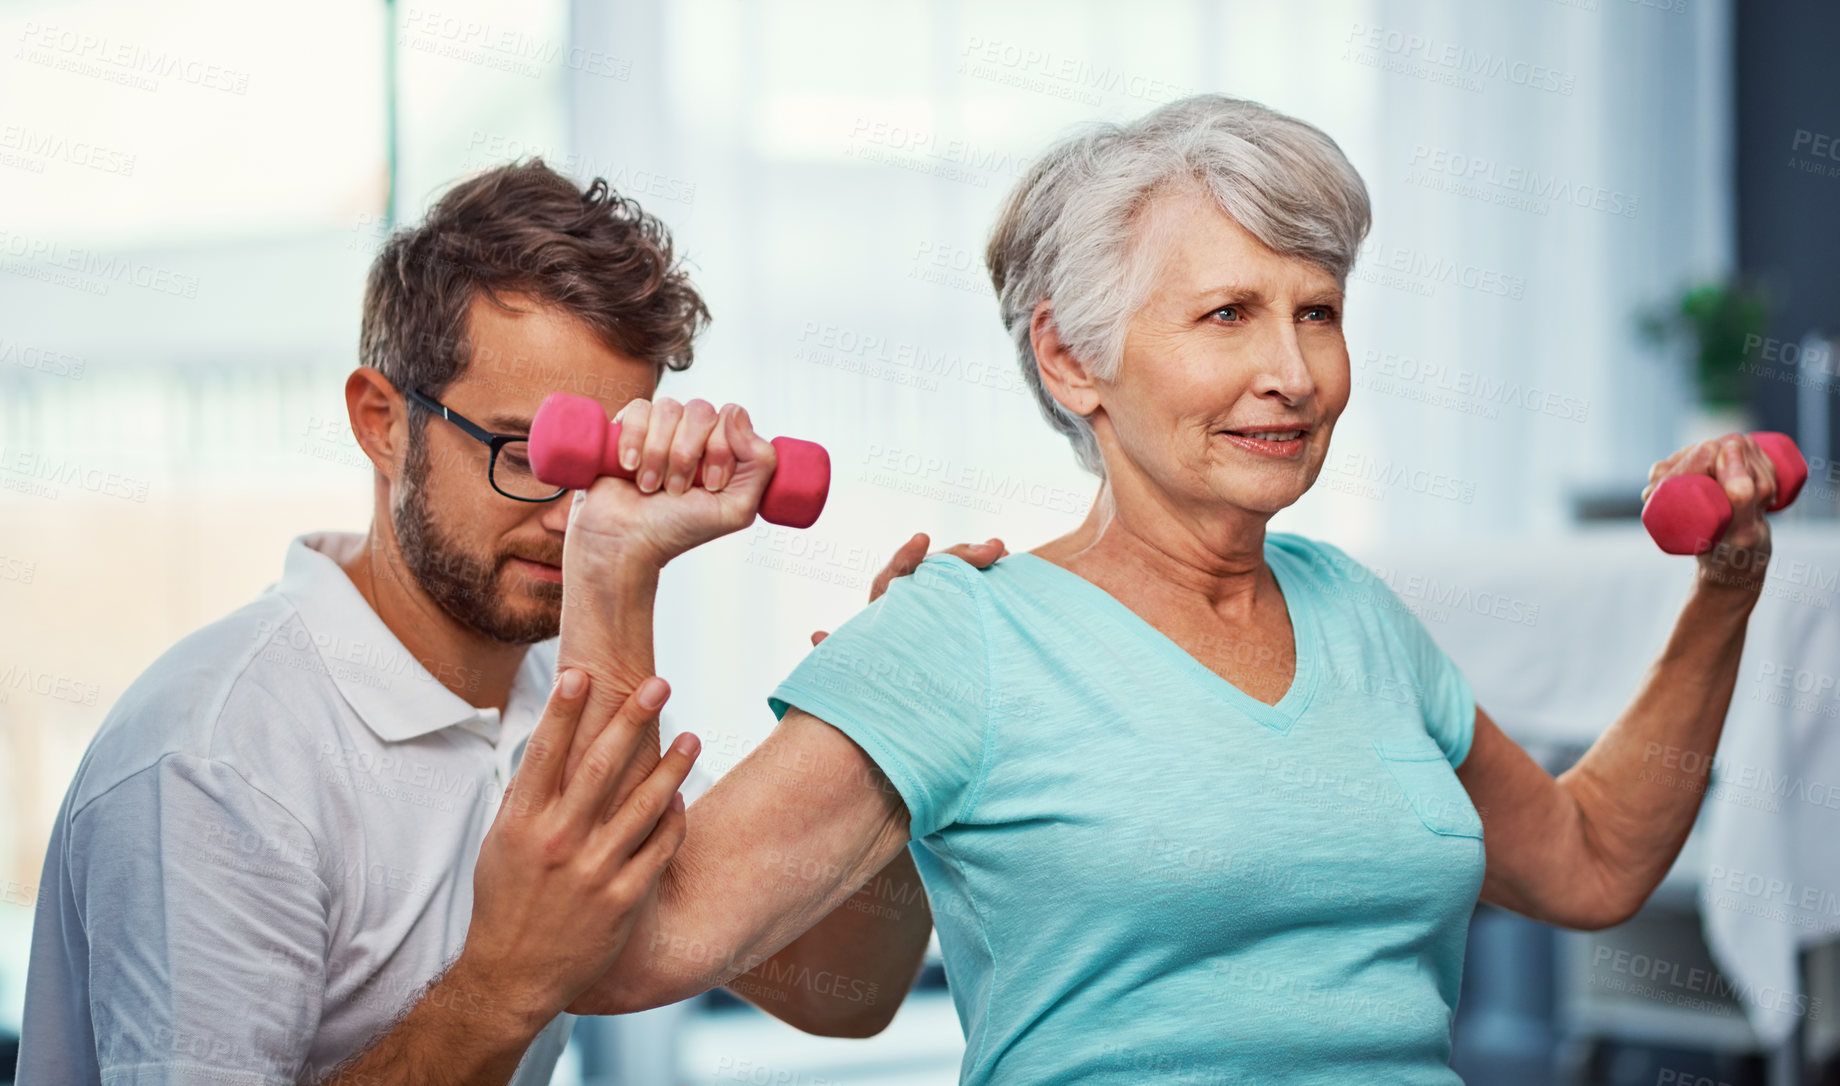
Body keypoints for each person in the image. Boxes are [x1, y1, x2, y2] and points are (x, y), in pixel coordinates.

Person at [533, 95, 1785, 1084]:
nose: (1291, 372)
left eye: (1317, 312)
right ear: (1072, 358)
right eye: (1228, 314)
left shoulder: (1358, 615)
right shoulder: (956, 637)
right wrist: (612, 568)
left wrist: (1722, 596)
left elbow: (1590, 862)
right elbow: (631, 946)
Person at [16, 159, 1003, 1085]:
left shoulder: (559, 698)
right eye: (528, 452)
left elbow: (845, 994)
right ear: (381, 422)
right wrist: (502, 984)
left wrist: (885, 744)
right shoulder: (218, 760)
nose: (574, 515)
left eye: (607, 467)